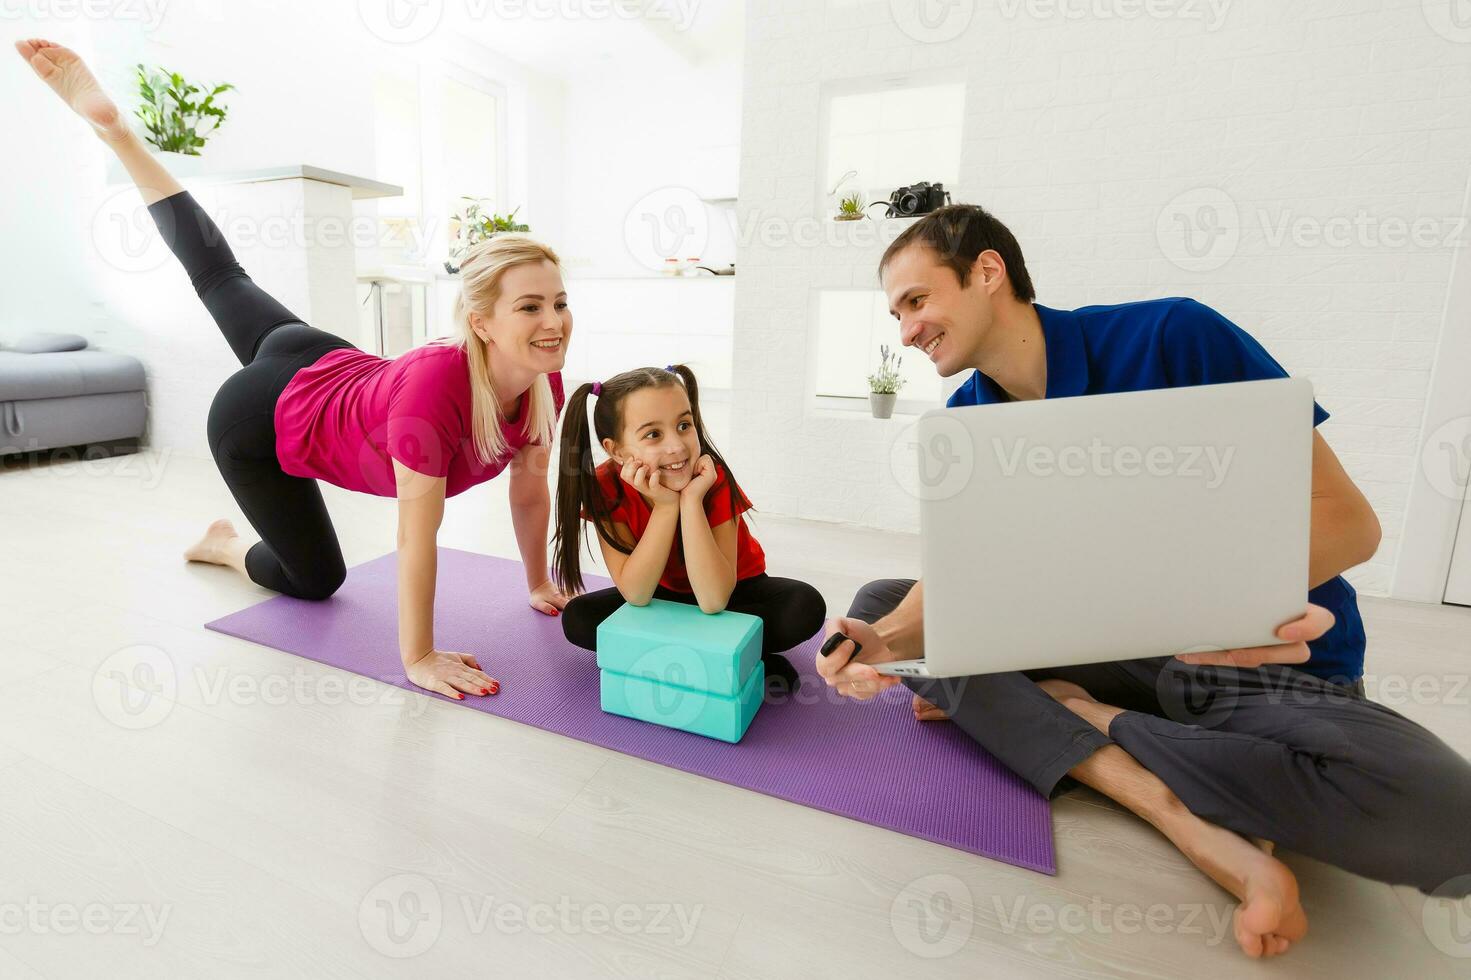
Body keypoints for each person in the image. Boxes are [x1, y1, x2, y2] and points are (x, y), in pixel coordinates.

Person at [817, 203, 1471, 959]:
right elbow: (964, 576)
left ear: (987, 271)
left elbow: (1349, 525)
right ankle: (1181, 816)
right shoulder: (969, 418)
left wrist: (1205, 612)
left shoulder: (1172, 335)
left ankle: (1077, 719)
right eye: (895, 314)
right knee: (880, 603)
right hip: (1113, 658)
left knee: (1444, 817)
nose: (905, 332)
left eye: (916, 301)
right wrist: (883, 641)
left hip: (1258, 673)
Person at [18, 39, 572, 700]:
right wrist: (418, 656)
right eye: (531, 306)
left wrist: (537, 582)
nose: (554, 322)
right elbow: (415, 534)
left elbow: (531, 491)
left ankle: (115, 133)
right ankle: (222, 548)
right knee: (316, 580)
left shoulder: (541, 382)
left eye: (561, 303)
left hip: (320, 357)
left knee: (220, 276)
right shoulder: (439, 389)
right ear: (482, 322)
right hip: (259, 418)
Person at [554, 365, 824, 695]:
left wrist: (691, 501)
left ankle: (698, 653)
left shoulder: (713, 477)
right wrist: (666, 508)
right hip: (659, 596)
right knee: (578, 618)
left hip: (735, 593)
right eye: (653, 434)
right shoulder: (603, 487)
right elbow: (636, 593)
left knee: (803, 606)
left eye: (684, 425)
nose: (677, 447)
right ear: (616, 450)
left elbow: (713, 600)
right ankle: (734, 655)